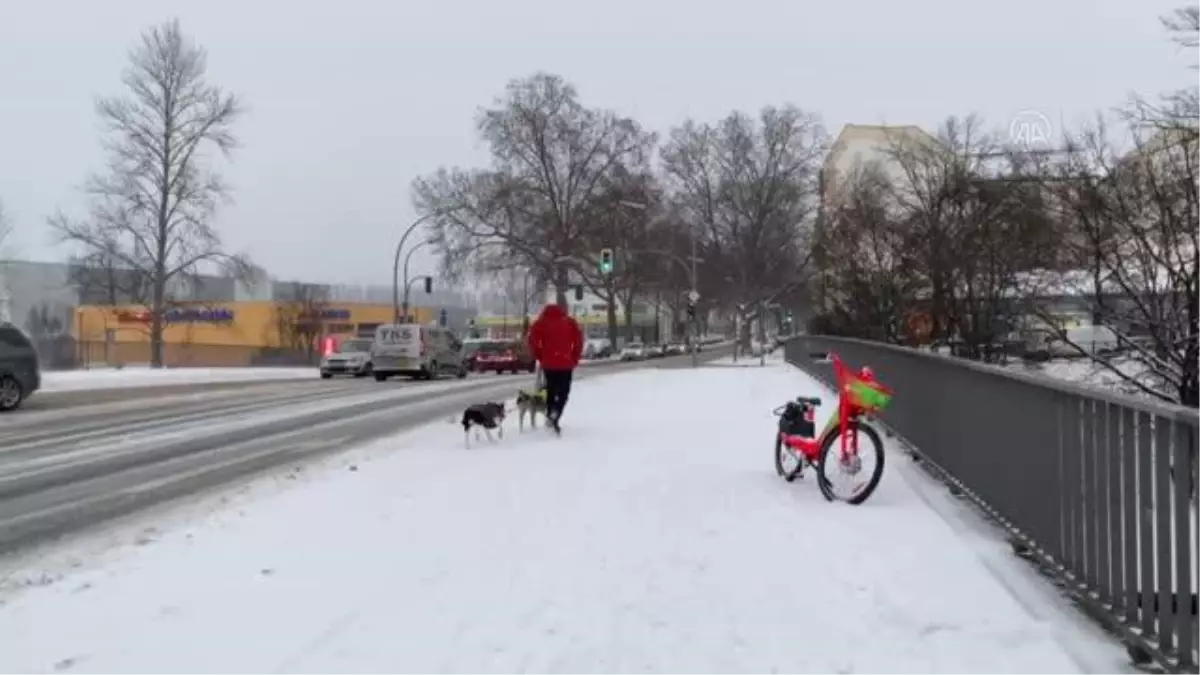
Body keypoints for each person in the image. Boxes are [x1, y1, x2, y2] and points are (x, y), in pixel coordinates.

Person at [527, 303, 584, 434]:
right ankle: (556, 412)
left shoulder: (540, 323)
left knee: (551, 390)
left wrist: (540, 355)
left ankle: (551, 414)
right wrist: (574, 358)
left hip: (549, 364)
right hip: (566, 362)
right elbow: (579, 341)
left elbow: (532, 340)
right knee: (564, 392)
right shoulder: (570, 322)